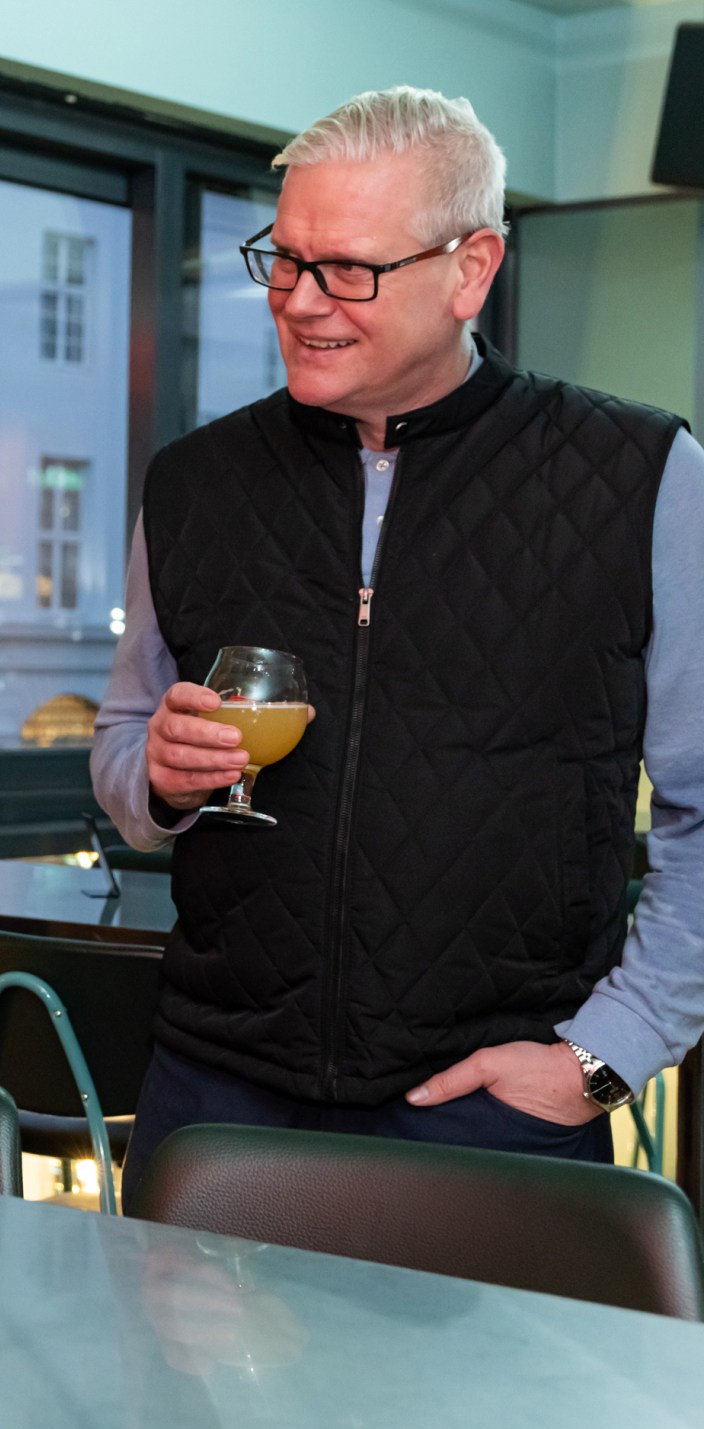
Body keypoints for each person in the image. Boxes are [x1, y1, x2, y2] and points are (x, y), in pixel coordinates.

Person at [93, 86, 704, 1184]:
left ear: (472, 269)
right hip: (214, 1097)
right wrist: (160, 778)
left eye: (347, 269)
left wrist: (606, 1057)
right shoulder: (192, 483)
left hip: (493, 1114)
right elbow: (126, 741)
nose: (299, 300)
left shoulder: (645, 476)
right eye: (284, 260)